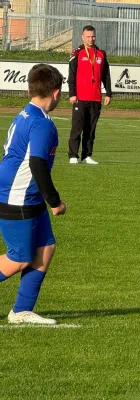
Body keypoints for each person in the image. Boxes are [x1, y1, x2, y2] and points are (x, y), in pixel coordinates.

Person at [0, 64, 67, 325]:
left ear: (28, 89)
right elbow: (37, 164)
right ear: (57, 93)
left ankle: (21, 311)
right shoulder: (42, 124)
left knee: (46, 247)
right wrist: (55, 202)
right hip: (17, 196)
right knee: (19, 258)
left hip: (27, 194)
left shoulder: (26, 113)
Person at [68, 25, 112, 165]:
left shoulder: (101, 54)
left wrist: (108, 93)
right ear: (82, 37)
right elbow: (72, 76)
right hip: (80, 97)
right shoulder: (77, 53)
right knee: (77, 127)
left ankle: (86, 156)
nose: (91, 39)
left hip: (95, 98)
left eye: (93, 36)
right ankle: (73, 155)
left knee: (91, 129)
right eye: (88, 36)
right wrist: (72, 94)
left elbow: (106, 76)